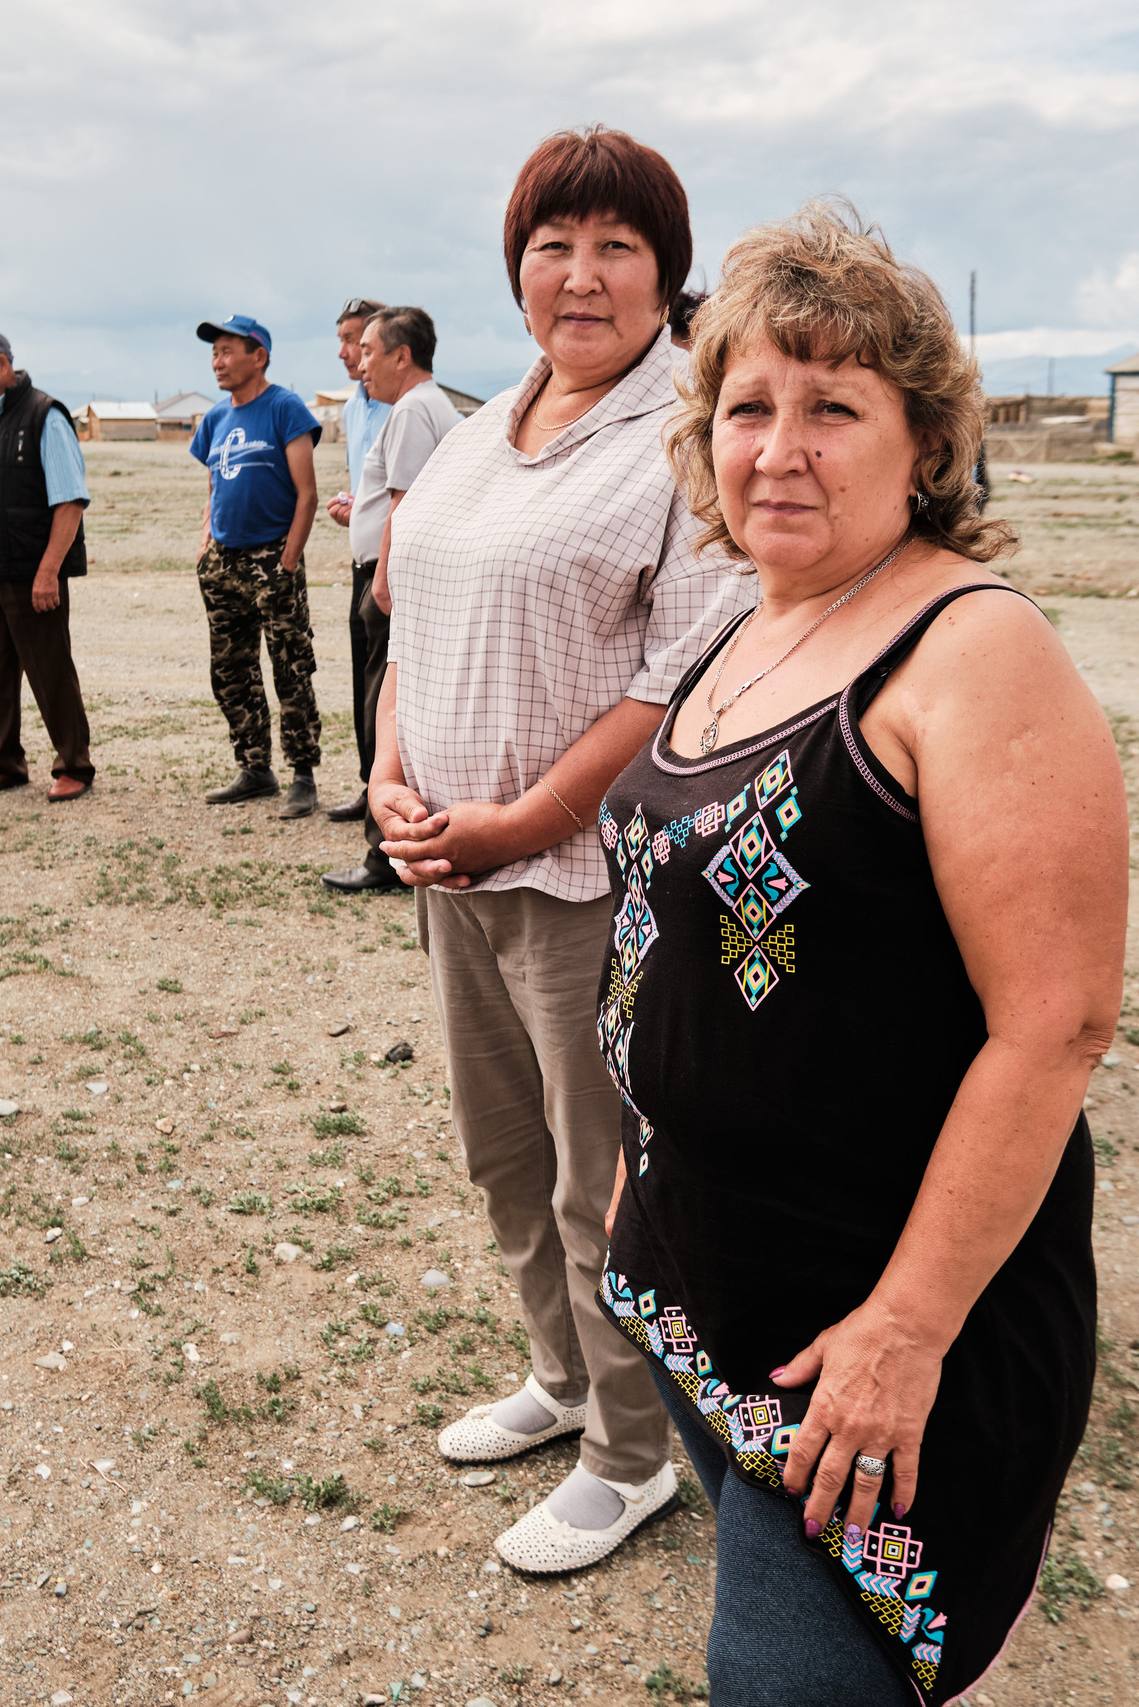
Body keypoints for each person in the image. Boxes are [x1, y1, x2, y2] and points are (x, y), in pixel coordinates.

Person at [594, 201, 1123, 1702]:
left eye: (835, 406)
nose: (781, 445)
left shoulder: (970, 649)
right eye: (749, 406)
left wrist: (908, 1324)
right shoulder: (747, 625)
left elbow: (1059, 1024)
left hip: (871, 1341)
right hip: (703, 1288)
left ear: (926, 441)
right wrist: (646, 1163)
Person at [367, 126, 750, 1574]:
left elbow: (671, 678)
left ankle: (631, 1451)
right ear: (514, 267)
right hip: (447, 868)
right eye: (552, 246)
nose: (579, 276)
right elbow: (411, 623)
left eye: (616, 249)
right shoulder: (476, 429)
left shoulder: (680, 438)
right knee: (501, 1148)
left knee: (604, 1178)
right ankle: (562, 1374)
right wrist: (387, 772)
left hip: (585, 882)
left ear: (665, 274)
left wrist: (526, 819)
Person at [320, 306, 459, 895]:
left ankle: (387, 855)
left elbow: (405, 504)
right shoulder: (435, 408)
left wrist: (383, 584)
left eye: (370, 350)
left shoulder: (409, 411)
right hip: (401, 571)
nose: (359, 362)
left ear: (403, 355)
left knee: (387, 708)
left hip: (390, 576)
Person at [0, 327, 95, 802]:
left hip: (31, 567)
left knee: (48, 667)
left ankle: (73, 764)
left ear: (3, 366)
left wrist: (48, 571)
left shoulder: (44, 415)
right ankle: (5, 762)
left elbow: (69, 501)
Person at [188, 315, 323, 817]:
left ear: (258, 356)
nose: (217, 362)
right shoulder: (216, 419)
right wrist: (206, 539)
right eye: (214, 353)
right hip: (223, 561)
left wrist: (287, 561)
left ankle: (302, 775)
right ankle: (254, 768)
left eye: (227, 351)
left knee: (290, 667)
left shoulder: (284, 408)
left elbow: (306, 495)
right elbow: (213, 484)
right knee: (230, 669)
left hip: (272, 558)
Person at [322, 297, 388, 827]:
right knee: (360, 675)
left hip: (391, 568)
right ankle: (369, 786)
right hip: (360, 561)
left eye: (356, 341)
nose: (346, 353)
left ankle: (385, 795)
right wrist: (352, 506)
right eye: (343, 340)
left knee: (385, 682)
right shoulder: (352, 407)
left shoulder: (401, 404)